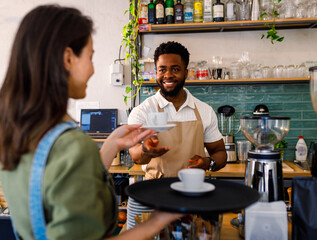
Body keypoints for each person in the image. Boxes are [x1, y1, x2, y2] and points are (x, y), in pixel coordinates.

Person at [0, 5, 182, 240]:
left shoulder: (16, 130)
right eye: (90, 56)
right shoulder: (71, 144)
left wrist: (111, 145)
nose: (93, 69)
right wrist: (157, 221)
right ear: (68, 58)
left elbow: (61, 185)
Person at [126, 41, 227, 228]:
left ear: (186, 72)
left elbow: (220, 153)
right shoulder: (143, 111)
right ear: (156, 72)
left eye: (175, 69)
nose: (168, 75)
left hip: (194, 196)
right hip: (154, 195)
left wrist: (208, 163)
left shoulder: (204, 111)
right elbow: (135, 156)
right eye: (162, 69)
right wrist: (146, 151)